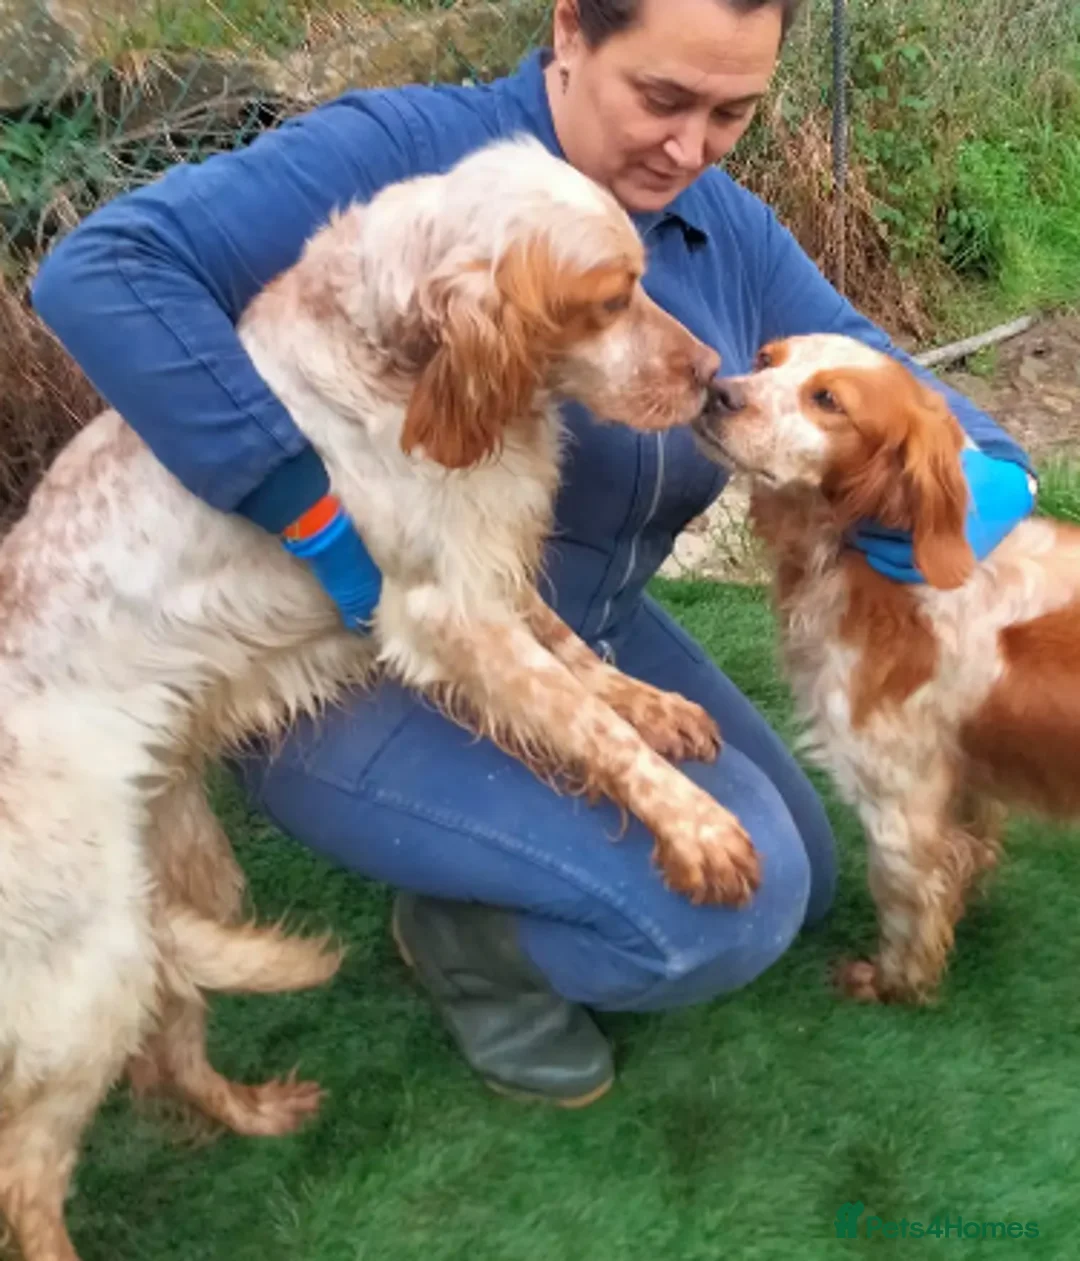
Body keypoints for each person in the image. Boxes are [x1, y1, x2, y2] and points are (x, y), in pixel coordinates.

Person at [31, 0, 1035, 1107]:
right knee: (723, 916)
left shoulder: (717, 225)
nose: (690, 149)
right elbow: (100, 272)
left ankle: (504, 857)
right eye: (661, 99)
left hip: (569, 619)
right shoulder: (402, 162)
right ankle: (467, 948)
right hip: (341, 657)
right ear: (570, 33)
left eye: (732, 113)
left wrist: (982, 485)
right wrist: (303, 508)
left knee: (801, 862)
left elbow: (896, 374)